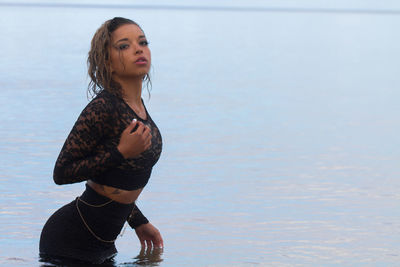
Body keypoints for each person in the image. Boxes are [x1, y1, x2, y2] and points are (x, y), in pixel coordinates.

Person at [39, 17, 163, 264]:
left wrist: (139, 221)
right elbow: (61, 172)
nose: (139, 49)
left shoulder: (137, 108)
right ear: (108, 62)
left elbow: (117, 180)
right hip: (69, 240)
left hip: (103, 244)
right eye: (124, 46)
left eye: (143, 42)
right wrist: (121, 152)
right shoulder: (103, 108)